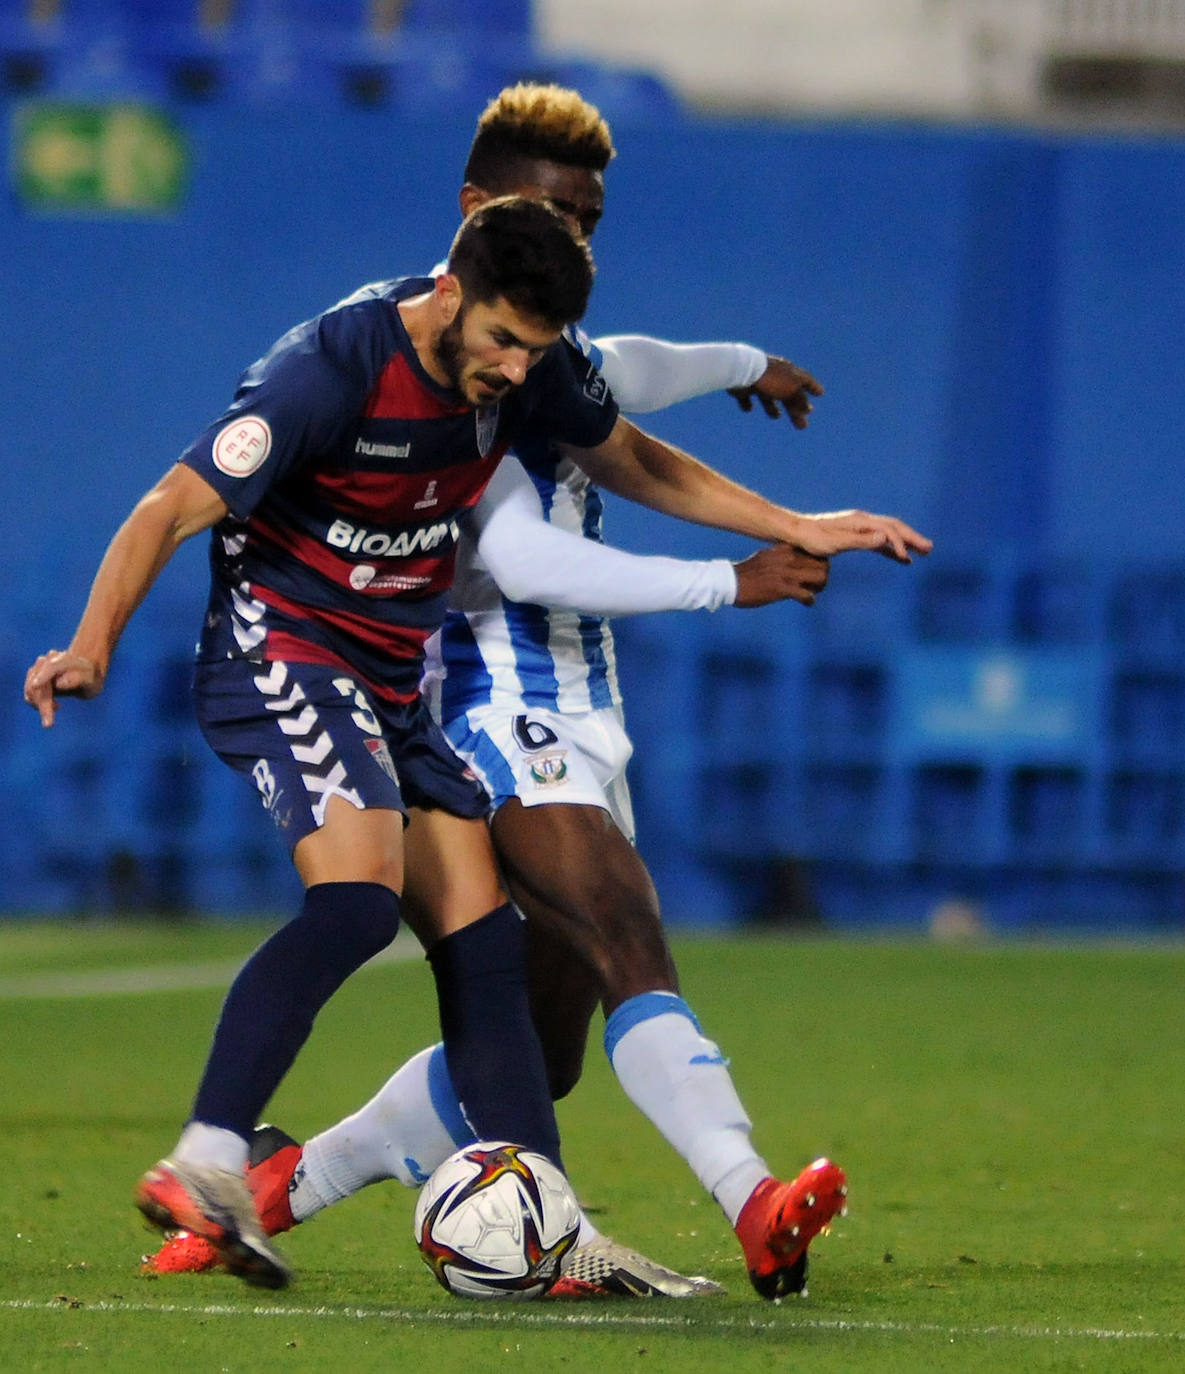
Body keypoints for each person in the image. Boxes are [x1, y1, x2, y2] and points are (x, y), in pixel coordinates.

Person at [141, 85, 932, 1300]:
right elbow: (514, 558)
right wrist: (731, 584)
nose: (580, 246)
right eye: (558, 214)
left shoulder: (540, 334)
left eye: (594, 221)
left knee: (541, 1038)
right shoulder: (451, 359)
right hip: (486, 694)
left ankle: (286, 1181)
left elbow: (636, 378)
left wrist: (747, 365)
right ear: (477, 215)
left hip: (575, 703)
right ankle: (751, 1198)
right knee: (624, 929)